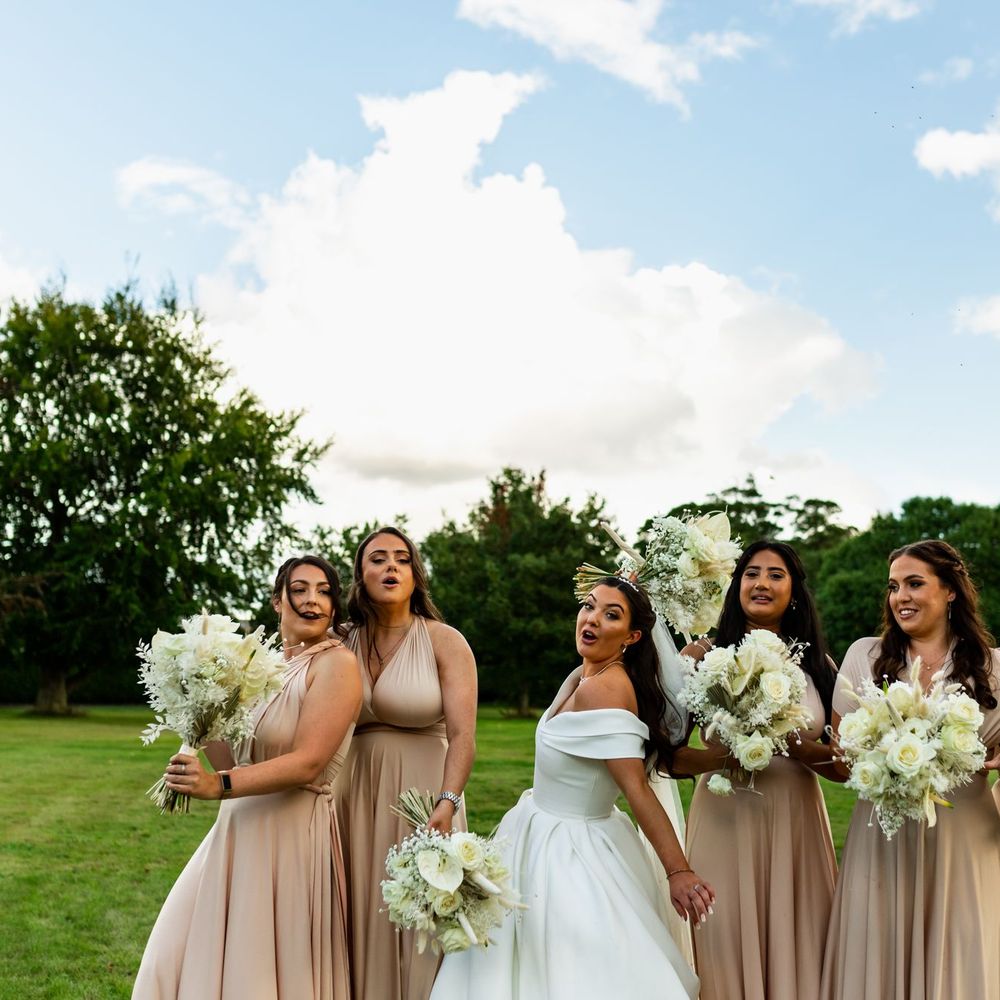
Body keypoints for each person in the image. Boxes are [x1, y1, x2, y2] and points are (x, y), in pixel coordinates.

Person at [430, 576, 710, 1000]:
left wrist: (678, 870)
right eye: (589, 606)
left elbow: (637, 788)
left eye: (611, 615)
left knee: (570, 964)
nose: (592, 619)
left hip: (571, 851)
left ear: (632, 636)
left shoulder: (606, 689)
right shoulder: (584, 673)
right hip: (533, 828)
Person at [132, 555, 362, 1000]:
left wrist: (217, 786)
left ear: (335, 606)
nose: (312, 600)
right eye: (299, 590)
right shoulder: (259, 668)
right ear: (277, 601)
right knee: (172, 954)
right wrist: (199, 706)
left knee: (260, 970)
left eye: (324, 592)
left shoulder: (337, 665)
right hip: (236, 828)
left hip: (291, 834)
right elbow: (231, 759)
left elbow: (308, 762)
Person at [820, 539, 1000, 999]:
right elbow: (840, 753)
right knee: (879, 952)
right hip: (883, 834)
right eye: (894, 586)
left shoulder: (995, 666)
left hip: (963, 838)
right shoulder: (864, 656)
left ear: (950, 590)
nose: (901, 596)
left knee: (958, 956)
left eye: (915, 583)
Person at [672, 540, 840, 1000]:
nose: (762, 583)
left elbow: (843, 768)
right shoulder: (701, 656)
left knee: (799, 941)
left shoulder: (819, 665)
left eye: (775, 575)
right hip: (724, 819)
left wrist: (791, 744)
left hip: (797, 824)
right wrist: (729, 757)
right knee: (722, 938)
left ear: (795, 591)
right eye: (752, 573)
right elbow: (668, 756)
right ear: (737, 585)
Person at [333, 527, 477, 1000]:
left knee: (420, 917)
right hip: (353, 796)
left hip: (425, 798)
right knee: (357, 909)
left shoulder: (444, 640)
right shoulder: (339, 642)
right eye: (378, 559)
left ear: (416, 575)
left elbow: (463, 736)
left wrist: (447, 802)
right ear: (360, 576)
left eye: (401, 558)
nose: (391, 566)